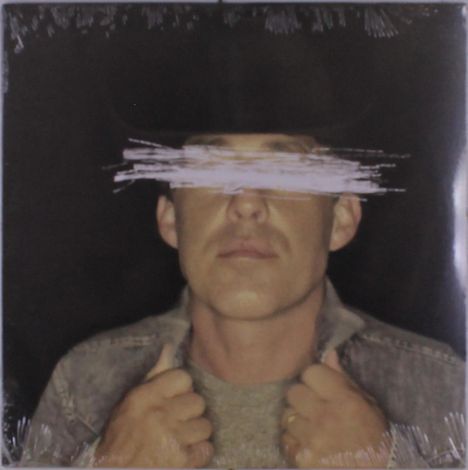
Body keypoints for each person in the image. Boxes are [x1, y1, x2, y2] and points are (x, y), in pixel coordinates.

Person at [20, 132, 464, 468]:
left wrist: (386, 463)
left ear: (341, 219)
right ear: (171, 219)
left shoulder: (442, 387)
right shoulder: (83, 383)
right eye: (212, 169)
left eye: (283, 169)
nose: (246, 203)